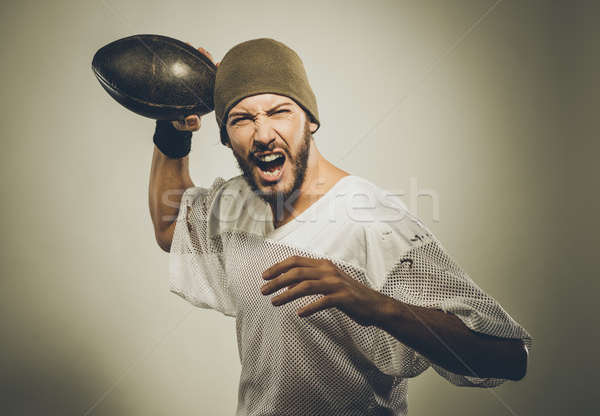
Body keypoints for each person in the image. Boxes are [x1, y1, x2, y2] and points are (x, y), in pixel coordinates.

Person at [148, 38, 531, 415]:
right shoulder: (235, 203)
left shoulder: (371, 220)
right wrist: (172, 132)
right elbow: (172, 229)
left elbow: (509, 357)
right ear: (227, 139)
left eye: (279, 111)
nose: (262, 135)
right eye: (242, 119)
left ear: (310, 121)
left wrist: (375, 304)